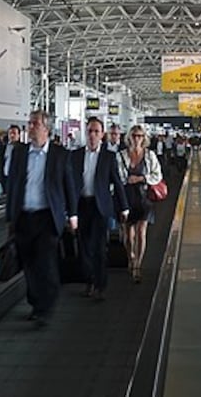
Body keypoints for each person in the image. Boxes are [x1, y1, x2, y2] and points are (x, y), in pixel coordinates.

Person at [4, 110, 78, 328]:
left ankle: (45, 306)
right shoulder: (20, 153)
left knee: (45, 262)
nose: (30, 127)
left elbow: (69, 186)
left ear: (46, 128)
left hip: (47, 217)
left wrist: (72, 214)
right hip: (24, 217)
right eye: (29, 123)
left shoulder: (60, 154)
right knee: (28, 264)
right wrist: (10, 217)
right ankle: (36, 302)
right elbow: (13, 186)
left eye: (35, 123)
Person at [71, 118, 129, 300]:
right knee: (84, 247)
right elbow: (70, 183)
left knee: (98, 246)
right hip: (81, 205)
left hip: (100, 206)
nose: (92, 135)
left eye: (96, 131)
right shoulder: (75, 155)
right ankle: (88, 280)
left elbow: (117, 183)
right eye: (89, 131)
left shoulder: (109, 157)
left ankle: (100, 285)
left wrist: (124, 207)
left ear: (102, 135)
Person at [118, 125, 163, 284]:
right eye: (134, 136)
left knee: (141, 231)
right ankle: (131, 255)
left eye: (140, 136)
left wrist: (141, 179)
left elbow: (157, 175)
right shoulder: (122, 156)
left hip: (144, 197)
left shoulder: (150, 156)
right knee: (127, 233)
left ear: (144, 138)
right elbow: (117, 176)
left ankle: (138, 264)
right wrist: (126, 180)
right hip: (126, 197)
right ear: (129, 137)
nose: (137, 139)